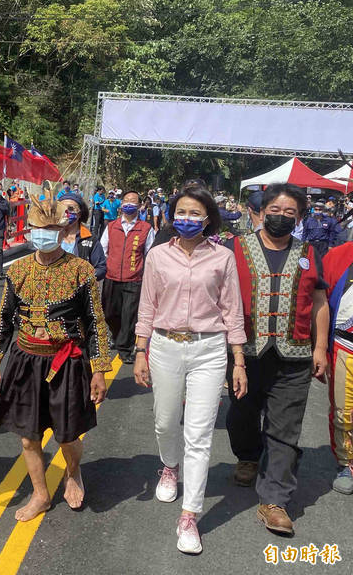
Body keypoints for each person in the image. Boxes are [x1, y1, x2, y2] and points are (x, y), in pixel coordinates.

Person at [133, 187, 247, 554]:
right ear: (171, 214)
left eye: (195, 213)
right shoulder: (157, 256)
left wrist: (238, 360)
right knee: (165, 422)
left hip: (209, 349)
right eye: (181, 211)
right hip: (165, 346)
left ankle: (189, 516)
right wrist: (139, 349)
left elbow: (232, 310)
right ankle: (169, 466)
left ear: (208, 218)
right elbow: (147, 305)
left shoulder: (223, 258)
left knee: (199, 434)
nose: (187, 218)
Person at [0, 194, 110, 522]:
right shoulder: (19, 271)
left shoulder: (80, 271)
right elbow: (4, 317)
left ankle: (73, 471)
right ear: (28, 230)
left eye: (51, 228)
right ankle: (40, 494)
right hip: (25, 362)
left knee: (67, 435)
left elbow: (96, 322)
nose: (44, 234)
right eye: (38, 228)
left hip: (66, 363)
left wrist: (98, 369)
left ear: (62, 229)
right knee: (28, 437)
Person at [225, 183, 329, 536]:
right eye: (276, 211)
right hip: (245, 354)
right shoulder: (234, 248)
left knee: (285, 429)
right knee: (241, 413)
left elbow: (318, 302)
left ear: (300, 218)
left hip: (294, 355)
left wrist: (320, 349)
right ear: (261, 211)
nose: (282, 218)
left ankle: (275, 500)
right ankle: (248, 456)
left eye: (291, 213)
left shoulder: (309, 252)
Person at [100, 190, 155, 363]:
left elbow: (151, 255)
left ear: (139, 206)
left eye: (133, 201)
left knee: (129, 315)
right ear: (121, 204)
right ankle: (117, 337)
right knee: (110, 313)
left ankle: (125, 349)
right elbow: (103, 250)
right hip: (111, 277)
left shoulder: (146, 228)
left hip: (134, 280)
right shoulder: (111, 226)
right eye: (126, 200)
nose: (129, 204)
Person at [321, 242, 353, 494]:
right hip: (345, 345)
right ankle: (347, 462)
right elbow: (321, 301)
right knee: (344, 409)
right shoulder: (339, 255)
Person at [59, 192, 106, 280]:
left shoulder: (90, 240)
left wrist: (83, 277)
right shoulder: (50, 237)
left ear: (79, 213)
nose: (66, 212)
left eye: (70, 208)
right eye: (62, 208)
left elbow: (101, 269)